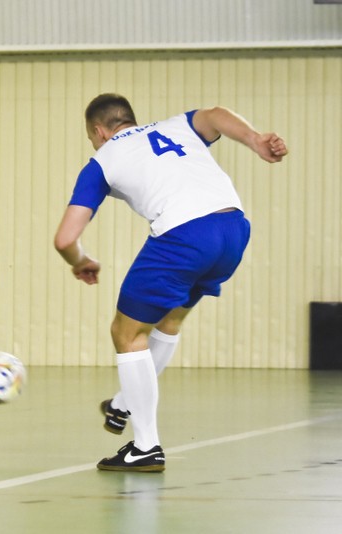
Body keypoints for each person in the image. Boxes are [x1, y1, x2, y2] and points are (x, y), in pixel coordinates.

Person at [54, 94, 288, 472]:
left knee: (126, 334)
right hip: (233, 229)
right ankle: (123, 403)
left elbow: (65, 239)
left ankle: (146, 447)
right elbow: (216, 114)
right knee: (169, 321)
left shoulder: (101, 160)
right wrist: (256, 139)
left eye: (92, 137)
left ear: (98, 131)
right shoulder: (175, 125)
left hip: (184, 237)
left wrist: (81, 262)